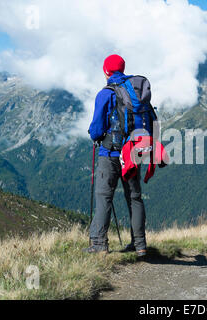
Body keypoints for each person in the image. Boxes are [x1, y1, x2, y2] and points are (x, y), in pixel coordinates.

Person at [84, 54, 147, 257]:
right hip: (132, 151)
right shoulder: (134, 91)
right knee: (135, 197)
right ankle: (140, 245)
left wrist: (95, 134)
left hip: (110, 152)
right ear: (123, 68)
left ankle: (99, 244)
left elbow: (96, 129)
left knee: (104, 197)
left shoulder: (105, 94)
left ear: (106, 71)